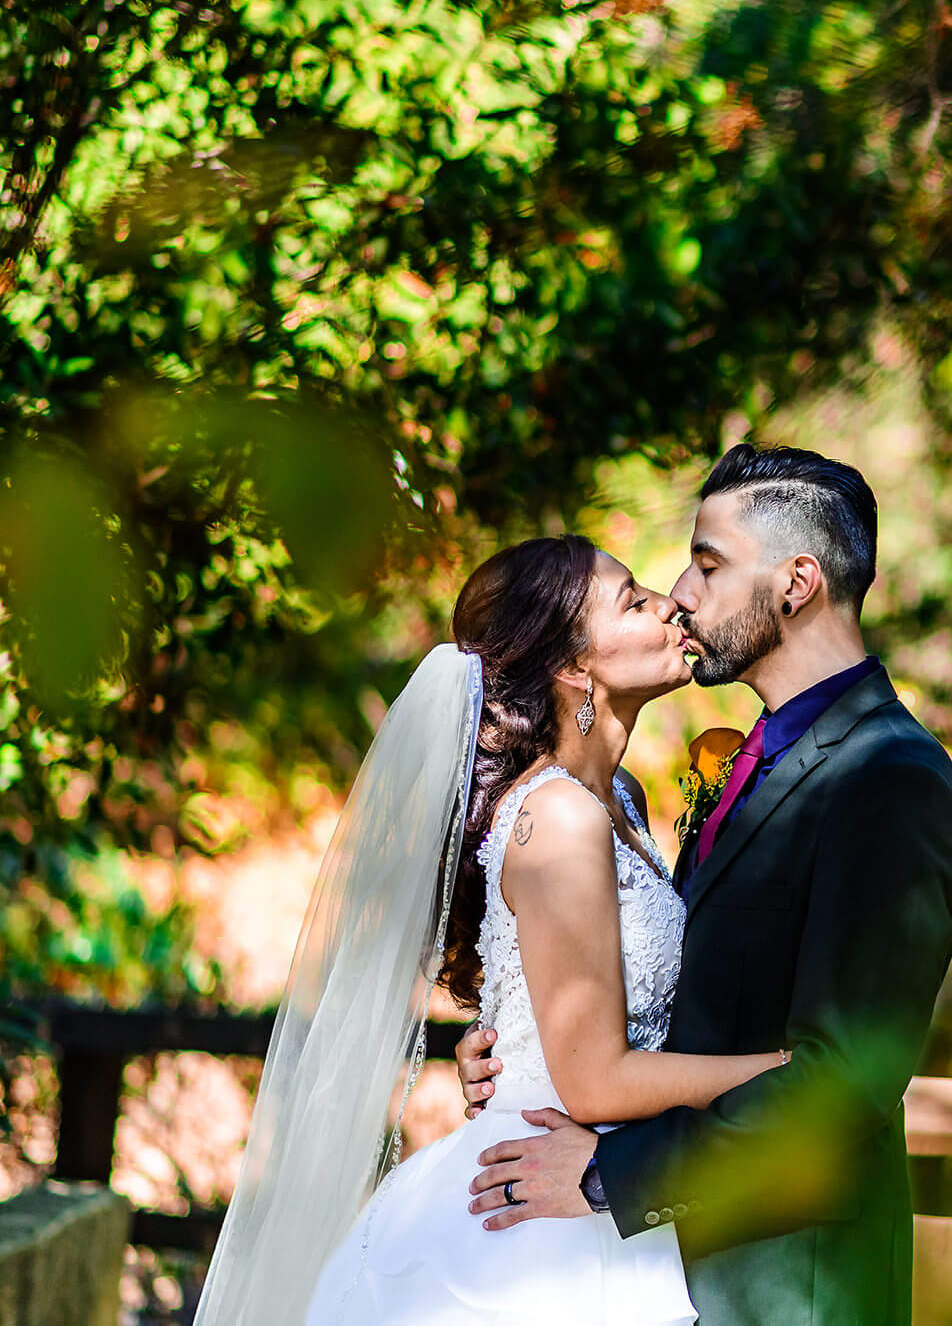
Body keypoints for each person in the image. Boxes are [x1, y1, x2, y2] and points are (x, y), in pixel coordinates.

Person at [198, 534, 796, 1326]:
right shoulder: (557, 817)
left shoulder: (620, 796)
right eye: (631, 598)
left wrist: (497, 1045)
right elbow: (594, 1080)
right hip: (540, 1209)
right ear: (574, 667)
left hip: (599, 1174)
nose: (668, 602)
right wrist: (790, 1072)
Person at [456, 445, 952, 1326]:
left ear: (797, 582)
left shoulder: (890, 776)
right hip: (669, 1268)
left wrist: (603, 1173)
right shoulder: (747, 763)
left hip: (790, 1280)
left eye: (708, 563)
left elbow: (845, 1086)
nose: (682, 593)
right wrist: (519, 1059)